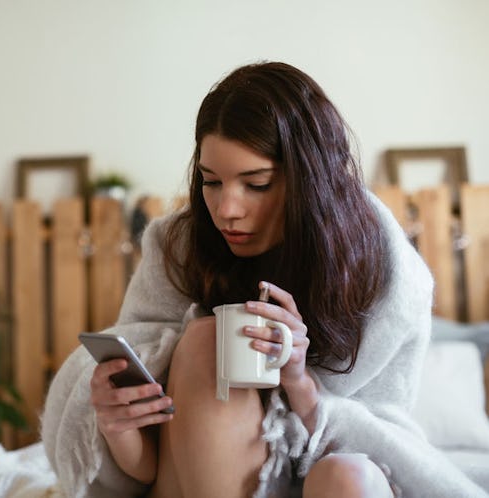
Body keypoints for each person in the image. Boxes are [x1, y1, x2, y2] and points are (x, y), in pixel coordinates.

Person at [41, 61, 486, 497]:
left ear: (312, 180)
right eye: (211, 182)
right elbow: (153, 469)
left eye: (256, 184)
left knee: (347, 477)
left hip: (323, 467)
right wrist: (117, 424)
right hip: (205, 477)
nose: (226, 209)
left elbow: (378, 440)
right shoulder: (180, 247)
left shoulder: (385, 272)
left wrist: (298, 380)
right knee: (206, 339)